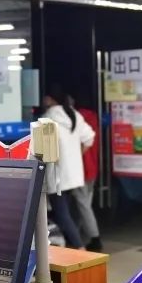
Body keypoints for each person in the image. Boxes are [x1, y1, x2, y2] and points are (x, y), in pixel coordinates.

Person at [42, 85, 95, 249]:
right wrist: (75, 156)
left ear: (50, 99)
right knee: (66, 212)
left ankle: (79, 247)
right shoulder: (74, 114)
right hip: (74, 173)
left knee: (61, 213)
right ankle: (72, 244)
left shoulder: (48, 118)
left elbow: (43, 151)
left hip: (57, 174)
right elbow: (89, 138)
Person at [72, 101, 103, 252]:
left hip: (82, 169)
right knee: (84, 204)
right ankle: (80, 236)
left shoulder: (75, 117)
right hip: (93, 167)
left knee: (83, 205)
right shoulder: (92, 116)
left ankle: (94, 238)